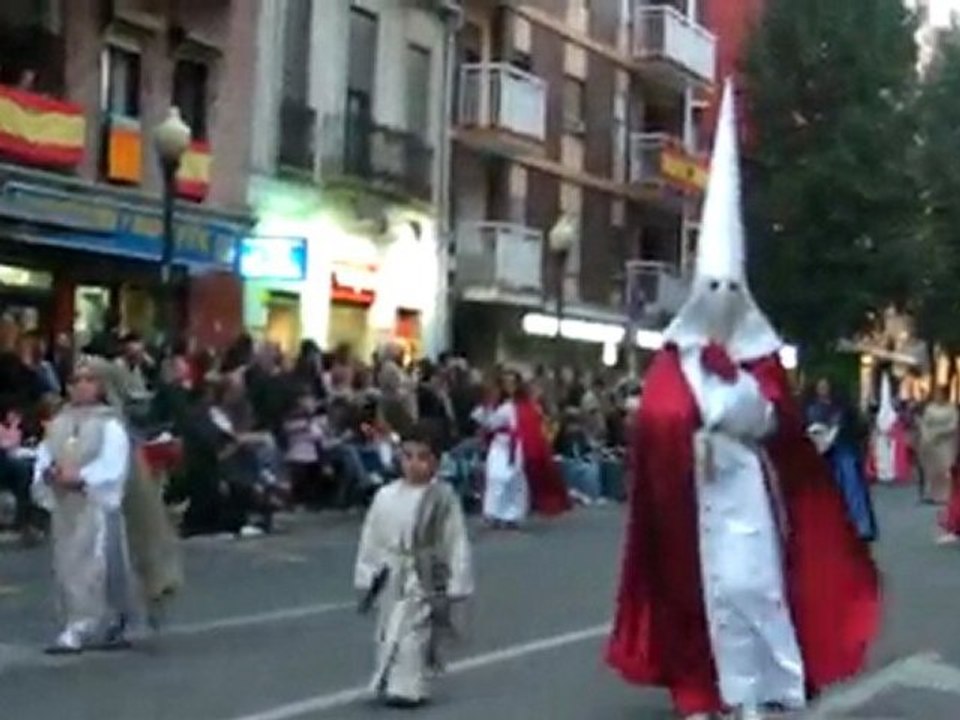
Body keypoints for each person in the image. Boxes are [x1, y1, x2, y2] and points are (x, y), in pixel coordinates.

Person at [606, 81, 880, 720]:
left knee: (755, 587)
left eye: (732, 289)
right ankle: (706, 689)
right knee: (702, 594)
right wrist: (685, 428)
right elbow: (656, 421)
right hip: (689, 497)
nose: (723, 299)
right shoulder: (674, 363)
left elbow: (779, 425)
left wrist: (739, 409)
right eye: (714, 288)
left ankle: (766, 685)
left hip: (746, 491)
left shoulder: (759, 360)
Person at [354, 422, 473, 707]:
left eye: (422, 457)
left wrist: (457, 581)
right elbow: (372, 537)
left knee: (413, 629)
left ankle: (409, 686)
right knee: (388, 628)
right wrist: (367, 572)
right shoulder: (385, 495)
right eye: (407, 456)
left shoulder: (442, 499)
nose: (413, 464)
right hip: (390, 571)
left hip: (424, 574)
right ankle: (388, 678)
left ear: (436, 461)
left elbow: (455, 540)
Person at [31, 356, 135, 654]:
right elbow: (45, 455)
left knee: (97, 564)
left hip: (95, 505)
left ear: (101, 385)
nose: (81, 386)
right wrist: (49, 474)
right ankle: (76, 621)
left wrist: (82, 478)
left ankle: (98, 623)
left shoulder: (109, 424)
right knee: (68, 566)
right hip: (66, 506)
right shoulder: (59, 423)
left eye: (89, 380)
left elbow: (114, 465)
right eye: (76, 380)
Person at [806, 377, 877, 541]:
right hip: (825, 451)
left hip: (843, 448)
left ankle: (860, 524)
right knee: (836, 488)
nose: (823, 389)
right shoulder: (813, 408)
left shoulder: (841, 407)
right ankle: (844, 525)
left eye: (825, 386)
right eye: (820, 386)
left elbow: (855, 427)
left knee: (851, 485)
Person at [866, 373, 910, 485]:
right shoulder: (876, 392)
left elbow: (901, 407)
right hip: (881, 422)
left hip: (892, 423)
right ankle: (882, 472)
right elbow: (872, 408)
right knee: (880, 449)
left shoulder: (896, 393)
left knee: (891, 450)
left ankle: (890, 472)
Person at [918, 386, 958, 505]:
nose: (938, 397)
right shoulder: (930, 409)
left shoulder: (951, 409)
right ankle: (932, 494)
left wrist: (940, 433)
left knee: (945, 469)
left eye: (940, 394)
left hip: (945, 442)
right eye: (936, 394)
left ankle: (945, 495)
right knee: (932, 470)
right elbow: (924, 424)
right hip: (930, 443)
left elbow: (953, 425)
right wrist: (927, 436)